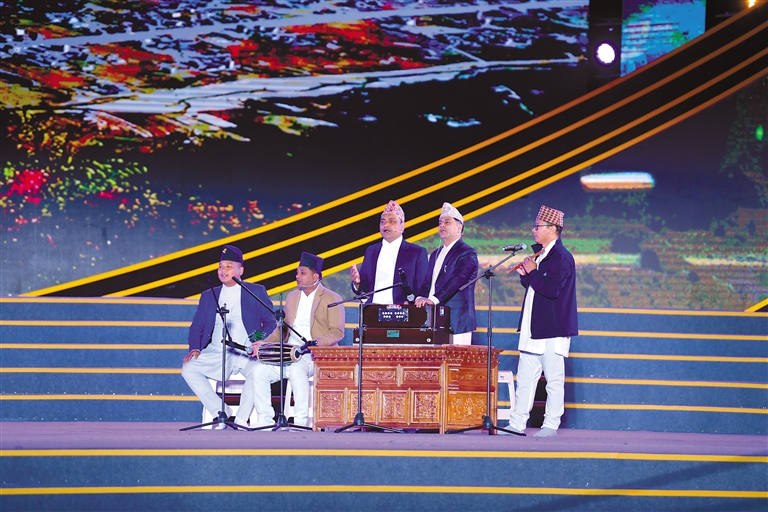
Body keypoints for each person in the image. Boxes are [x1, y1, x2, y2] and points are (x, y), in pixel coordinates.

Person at [181, 244, 277, 429]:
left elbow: (270, 322)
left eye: (229, 266)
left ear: (241, 270)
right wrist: (195, 348)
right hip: (218, 351)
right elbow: (198, 325)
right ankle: (221, 411)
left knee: (258, 372)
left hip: (247, 351)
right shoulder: (209, 295)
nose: (223, 270)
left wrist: (260, 340)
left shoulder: (256, 291)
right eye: (220, 266)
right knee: (188, 369)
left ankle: (241, 418)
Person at [505, 205, 578, 437]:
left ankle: (550, 425)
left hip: (553, 329)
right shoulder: (541, 255)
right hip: (533, 327)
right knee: (525, 379)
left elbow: (553, 290)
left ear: (553, 229)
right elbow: (537, 289)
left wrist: (533, 272)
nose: (533, 230)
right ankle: (517, 423)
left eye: (538, 226)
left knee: (554, 380)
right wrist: (526, 276)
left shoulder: (562, 257)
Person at [251, 252, 345, 427]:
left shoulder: (332, 298)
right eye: (297, 272)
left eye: (302, 273)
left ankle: (300, 422)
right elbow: (282, 329)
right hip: (288, 353)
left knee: (296, 368)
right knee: (258, 370)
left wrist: (316, 343)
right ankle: (265, 419)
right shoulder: (292, 296)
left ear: (315, 277)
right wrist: (266, 343)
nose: (297, 276)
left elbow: (337, 332)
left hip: (313, 355)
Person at [414, 202, 478, 345]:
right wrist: (420, 297)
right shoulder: (435, 253)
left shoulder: (467, 252)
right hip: (434, 319)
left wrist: (434, 299)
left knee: (457, 359)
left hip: (457, 320)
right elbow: (427, 282)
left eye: (447, 222)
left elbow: (458, 279)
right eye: (440, 223)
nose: (442, 225)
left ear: (459, 227)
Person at [350, 200, 428, 305]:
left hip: (403, 310)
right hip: (372, 310)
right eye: (382, 221)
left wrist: (413, 304)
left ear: (402, 226)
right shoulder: (371, 251)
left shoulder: (416, 252)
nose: (386, 224)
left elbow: (422, 288)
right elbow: (364, 290)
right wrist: (357, 283)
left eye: (392, 221)